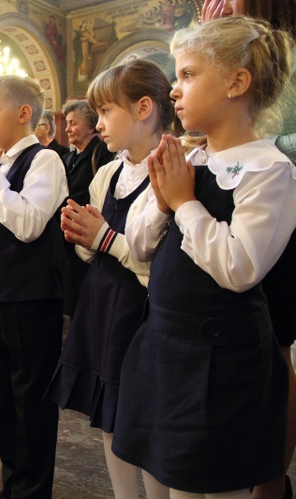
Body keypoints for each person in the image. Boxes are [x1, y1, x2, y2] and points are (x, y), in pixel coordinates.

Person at [113, 16, 296, 497]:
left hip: (220, 370)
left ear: (237, 82)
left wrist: (184, 203)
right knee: (157, 482)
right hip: (163, 348)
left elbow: (240, 268)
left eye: (189, 75)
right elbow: (140, 244)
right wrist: (159, 199)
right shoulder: (189, 159)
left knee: (200, 486)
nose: (175, 90)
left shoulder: (270, 170)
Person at [46, 60, 175, 499]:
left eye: (105, 113)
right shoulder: (108, 172)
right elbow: (89, 251)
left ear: (144, 109)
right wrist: (82, 233)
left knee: (145, 422)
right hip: (101, 301)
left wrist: (102, 237)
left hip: (143, 313)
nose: (98, 124)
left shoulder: (173, 170)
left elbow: (162, 265)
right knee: (108, 413)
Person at [201, 4, 296, 498]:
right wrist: (211, 36)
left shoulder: (279, 54)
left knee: (274, 343)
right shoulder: (235, 41)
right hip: (237, 186)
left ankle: (269, 481)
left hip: (274, 193)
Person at [0, 75, 68, 498]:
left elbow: (26, 225)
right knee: (3, 400)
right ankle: (13, 483)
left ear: (23, 114)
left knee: (32, 402)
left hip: (31, 298)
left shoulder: (44, 161)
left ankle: (33, 490)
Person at [61, 99, 115, 318]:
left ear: (92, 126)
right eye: (66, 123)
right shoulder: (68, 157)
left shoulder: (103, 152)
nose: (67, 129)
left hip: (91, 232)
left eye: (73, 123)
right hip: (68, 232)